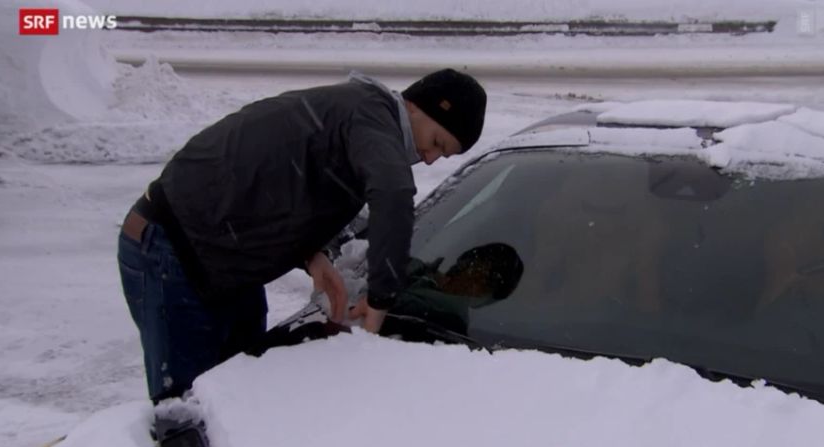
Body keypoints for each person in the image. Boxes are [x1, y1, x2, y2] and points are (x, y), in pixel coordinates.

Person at [116, 68, 487, 404]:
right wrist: (380, 299)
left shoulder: (359, 120)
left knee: (238, 390)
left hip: (228, 263)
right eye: (437, 143)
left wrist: (312, 255)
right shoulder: (370, 116)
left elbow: (284, 184)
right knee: (186, 411)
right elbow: (392, 195)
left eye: (444, 156)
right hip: (172, 251)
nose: (430, 159)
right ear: (417, 107)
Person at [256, 242, 525, 350]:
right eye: (473, 267)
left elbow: (388, 306)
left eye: (482, 282)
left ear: (485, 298)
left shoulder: (447, 319)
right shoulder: (420, 269)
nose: (470, 279)